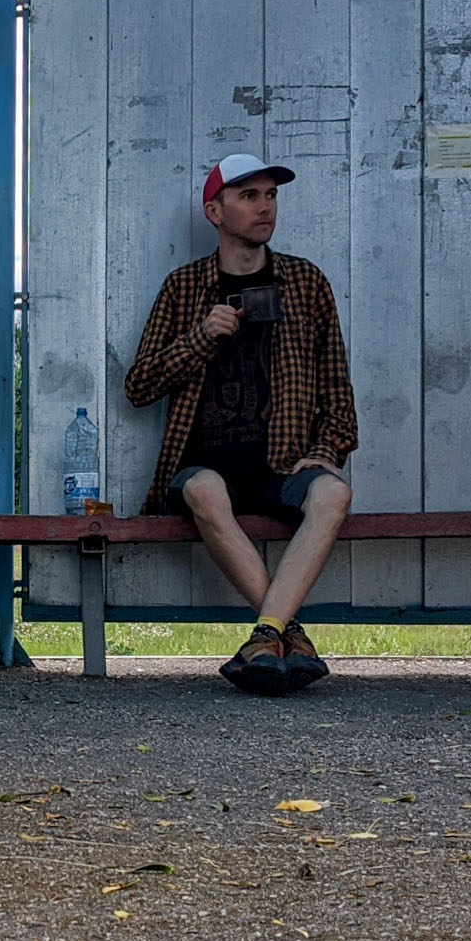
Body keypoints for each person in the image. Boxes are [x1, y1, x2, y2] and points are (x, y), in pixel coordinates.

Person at [123, 153, 358, 696]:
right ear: (215, 211)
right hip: (207, 465)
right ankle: (285, 635)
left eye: (271, 195)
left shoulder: (305, 282)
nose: (265, 207)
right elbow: (139, 386)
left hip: (283, 465)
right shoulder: (184, 288)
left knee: (333, 496)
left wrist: (326, 449)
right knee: (203, 489)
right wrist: (203, 336)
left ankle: (267, 635)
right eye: (249, 196)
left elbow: (338, 390)